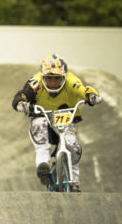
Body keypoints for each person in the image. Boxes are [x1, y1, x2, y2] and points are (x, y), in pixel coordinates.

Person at [12, 54, 102, 192]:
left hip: (65, 117)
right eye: (49, 78)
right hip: (42, 115)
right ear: (43, 77)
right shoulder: (36, 82)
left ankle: (74, 182)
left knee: (72, 145)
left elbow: (82, 89)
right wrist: (21, 103)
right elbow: (23, 93)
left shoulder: (71, 81)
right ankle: (43, 165)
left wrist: (91, 96)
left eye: (57, 78)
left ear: (64, 77)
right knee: (39, 131)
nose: (53, 82)